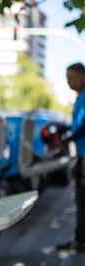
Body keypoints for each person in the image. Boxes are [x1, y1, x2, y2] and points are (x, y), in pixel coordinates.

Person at [56, 62, 85, 252]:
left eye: (71, 77)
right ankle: (80, 238)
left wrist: (67, 140)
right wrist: (65, 130)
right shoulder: (80, 97)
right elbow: (77, 124)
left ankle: (80, 241)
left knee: (82, 200)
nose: (68, 82)